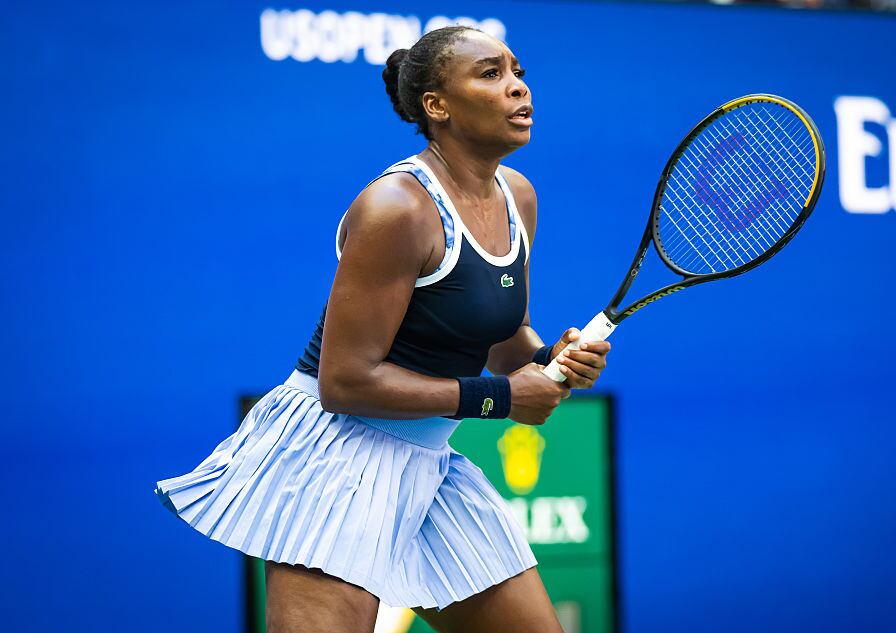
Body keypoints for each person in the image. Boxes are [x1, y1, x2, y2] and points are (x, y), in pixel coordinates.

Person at [155, 25, 611, 633]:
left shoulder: (517, 197)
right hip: (333, 459)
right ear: (436, 106)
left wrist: (552, 355)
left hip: (431, 461)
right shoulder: (398, 207)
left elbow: (503, 341)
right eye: (490, 74)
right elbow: (344, 382)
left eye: (518, 72)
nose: (518, 89)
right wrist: (502, 398)